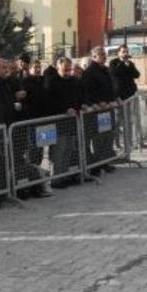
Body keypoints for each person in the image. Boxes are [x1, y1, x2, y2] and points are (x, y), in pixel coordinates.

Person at [43, 57, 86, 188]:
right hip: (58, 121)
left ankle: (64, 175)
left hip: (72, 121)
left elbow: (78, 97)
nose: (67, 72)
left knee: (68, 149)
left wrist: (80, 106)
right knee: (58, 151)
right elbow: (50, 101)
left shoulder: (74, 81)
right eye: (64, 69)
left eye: (69, 69)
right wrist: (65, 109)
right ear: (58, 68)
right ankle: (56, 178)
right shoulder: (51, 81)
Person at [81, 46, 119, 174]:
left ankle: (106, 161)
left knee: (108, 136)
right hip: (97, 111)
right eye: (101, 54)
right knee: (99, 139)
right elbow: (87, 92)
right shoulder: (89, 72)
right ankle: (98, 164)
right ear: (94, 57)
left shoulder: (106, 70)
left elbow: (110, 87)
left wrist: (114, 99)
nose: (104, 56)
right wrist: (97, 102)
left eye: (104, 54)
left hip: (108, 108)